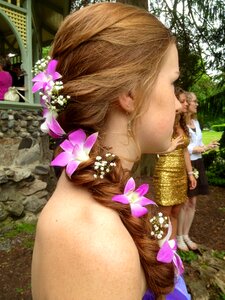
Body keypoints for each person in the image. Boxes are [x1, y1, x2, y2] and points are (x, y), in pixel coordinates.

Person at [31, 3, 188, 299]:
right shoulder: (95, 242)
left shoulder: (102, 201)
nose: (179, 103)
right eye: (172, 82)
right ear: (130, 93)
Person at [152, 88, 196, 241]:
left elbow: (185, 152)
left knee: (176, 212)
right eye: (182, 101)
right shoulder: (164, 122)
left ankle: (171, 250)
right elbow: (151, 146)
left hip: (180, 174)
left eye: (186, 101)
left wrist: (190, 174)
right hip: (165, 172)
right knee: (163, 213)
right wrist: (166, 147)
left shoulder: (182, 125)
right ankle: (156, 249)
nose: (186, 104)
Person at [177, 92, 219, 250]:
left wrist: (207, 147)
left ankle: (186, 235)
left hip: (198, 163)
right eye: (194, 101)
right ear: (187, 103)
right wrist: (202, 148)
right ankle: (179, 236)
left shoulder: (195, 122)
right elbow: (185, 147)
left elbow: (199, 143)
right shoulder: (181, 125)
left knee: (193, 201)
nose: (197, 104)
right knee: (185, 200)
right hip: (186, 165)